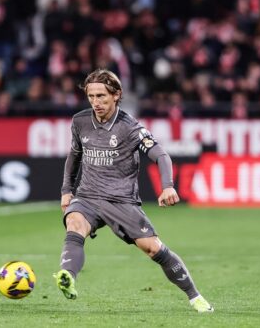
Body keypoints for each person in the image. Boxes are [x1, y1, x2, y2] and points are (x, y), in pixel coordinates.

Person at [53, 68, 213, 313]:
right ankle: (68, 276)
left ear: (116, 95)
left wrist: (167, 186)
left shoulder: (130, 127)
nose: (95, 102)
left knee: (153, 248)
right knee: (74, 223)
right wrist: (67, 189)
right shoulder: (80, 121)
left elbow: (161, 155)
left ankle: (195, 297)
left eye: (101, 96)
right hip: (87, 196)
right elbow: (74, 156)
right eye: (91, 96)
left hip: (121, 200)